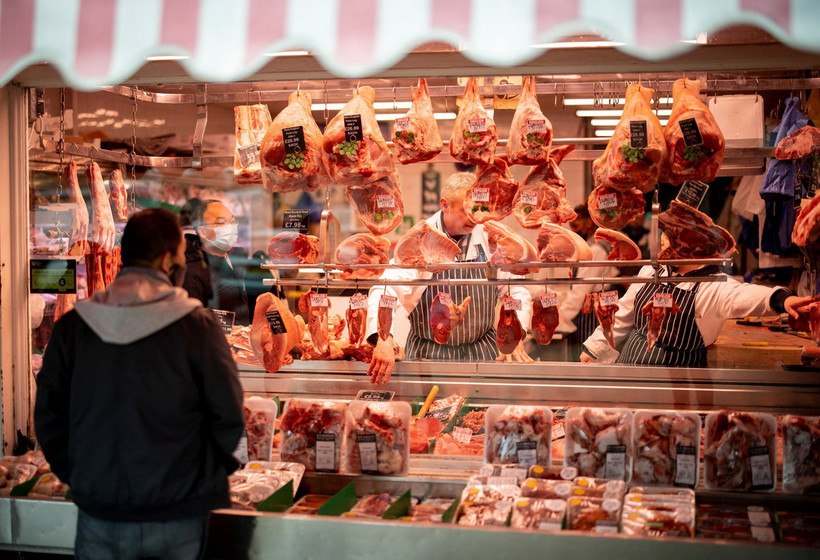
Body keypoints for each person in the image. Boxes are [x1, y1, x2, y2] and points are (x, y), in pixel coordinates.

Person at [34, 208, 244, 560]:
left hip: (100, 514)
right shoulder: (197, 326)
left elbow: (49, 419)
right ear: (166, 261)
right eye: (181, 256)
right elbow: (229, 418)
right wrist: (204, 478)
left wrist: (84, 478)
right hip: (180, 513)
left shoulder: (73, 327)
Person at [366, 172, 533, 384]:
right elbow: (387, 289)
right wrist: (383, 338)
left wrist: (517, 330)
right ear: (445, 205)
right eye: (466, 209)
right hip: (427, 356)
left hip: (483, 352)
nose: (474, 216)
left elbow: (515, 290)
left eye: (478, 208)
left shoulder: (490, 238)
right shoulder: (422, 239)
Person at [580, 255, 817, 367]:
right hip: (629, 372)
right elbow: (623, 314)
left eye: (669, 236)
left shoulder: (712, 284)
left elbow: (744, 296)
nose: (663, 242)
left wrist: (783, 301)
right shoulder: (652, 271)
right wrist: (595, 350)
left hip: (680, 384)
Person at [556, 205, 616, 360]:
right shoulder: (592, 247)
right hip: (588, 313)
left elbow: (580, 292)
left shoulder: (595, 250)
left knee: (587, 360)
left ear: (589, 222)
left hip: (590, 316)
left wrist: (558, 318)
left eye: (576, 225)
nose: (574, 232)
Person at [183, 199, 251, 325]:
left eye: (232, 221)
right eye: (221, 222)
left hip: (243, 340)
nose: (230, 227)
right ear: (203, 232)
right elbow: (193, 323)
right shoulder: (192, 270)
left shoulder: (238, 259)